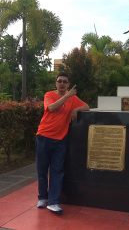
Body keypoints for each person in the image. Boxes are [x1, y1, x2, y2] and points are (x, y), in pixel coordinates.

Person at [35, 72, 90, 214]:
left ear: (68, 84)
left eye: (65, 82)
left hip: (60, 141)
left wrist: (76, 109)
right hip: (43, 137)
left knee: (57, 171)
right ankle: (42, 197)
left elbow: (87, 106)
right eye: (59, 81)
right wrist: (67, 96)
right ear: (56, 83)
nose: (62, 84)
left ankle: (53, 202)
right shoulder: (49, 95)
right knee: (42, 171)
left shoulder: (73, 99)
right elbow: (52, 108)